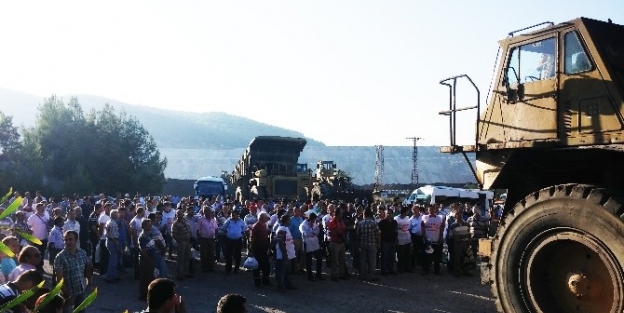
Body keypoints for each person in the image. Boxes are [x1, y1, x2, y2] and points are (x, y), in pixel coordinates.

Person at [54, 230, 93, 313]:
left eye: (70, 239)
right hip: (68, 294)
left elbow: (88, 268)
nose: (68, 242)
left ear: (76, 240)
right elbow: (59, 280)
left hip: (81, 290)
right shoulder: (60, 257)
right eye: (66, 240)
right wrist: (67, 296)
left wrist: (89, 282)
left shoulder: (82, 253)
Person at [248, 212, 272, 288]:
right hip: (257, 248)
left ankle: (265, 280)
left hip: (264, 248)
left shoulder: (265, 225)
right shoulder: (256, 226)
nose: (267, 218)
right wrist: (251, 249)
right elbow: (252, 239)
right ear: (261, 218)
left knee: (266, 265)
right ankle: (257, 282)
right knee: (257, 266)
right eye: (265, 217)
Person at [356, 208, 380, 282]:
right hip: (372, 244)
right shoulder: (374, 223)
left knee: (363, 261)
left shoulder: (360, 223)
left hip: (363, 244)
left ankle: (362, 275)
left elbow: (357, 234)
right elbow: (378, 234)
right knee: (372, 261)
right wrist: (378, 243)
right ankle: (371, 276)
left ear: (364, 214)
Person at [274, 214, 297, 292]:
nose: (290, 221)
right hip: (283, 255)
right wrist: (284, 254)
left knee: (287, 271)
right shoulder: (281, 230)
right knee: (281, 271)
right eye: (289, 220)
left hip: (288, 254)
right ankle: (280, 286)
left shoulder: (286, 228)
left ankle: (288, 284)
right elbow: (280, 242)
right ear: (286, 220)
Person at [422, 205, 445, 275]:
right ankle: (426, 270)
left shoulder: (439, 218)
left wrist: (441, 238)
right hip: (428, 240)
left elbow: (441, 229)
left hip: (436, 240)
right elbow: (423, 228)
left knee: (437, 257)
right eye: (430, 209)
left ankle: (437, 271)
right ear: (427, 210)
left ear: (435, 210)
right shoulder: (424, 217)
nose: (431, 211)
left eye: (432, 209)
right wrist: (424, 238)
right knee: (427, 256)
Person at [299, 212, 323, 281]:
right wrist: (312, 232)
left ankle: (318, 274)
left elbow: (317, 231)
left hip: (315, 243)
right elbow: (307, 233)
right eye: (313, 220)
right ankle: (310, 276)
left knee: (319, 258)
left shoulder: (314, 223)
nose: (314, 221)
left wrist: (313, 232)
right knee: (309, 261)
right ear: (310, 219)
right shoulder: (303, 225)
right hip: (308, 244)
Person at [26, 202, 49, 272]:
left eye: (43, 208)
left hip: (44, 238)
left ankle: (40, 267)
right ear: (37, 209)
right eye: (41, 208)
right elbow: (28, 227)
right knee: (36, 254)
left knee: (42, 253)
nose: (43, 209)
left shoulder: (45, 216)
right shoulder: (33, 217)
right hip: (36, 239)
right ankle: (35, 267)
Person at [172, 209, 192, 280]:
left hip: (188, 241)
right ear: (176, 215)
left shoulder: (185, 221)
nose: (179, 215)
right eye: (178, 214)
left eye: (180, 214)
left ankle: (186, 272)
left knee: (187, 257)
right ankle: (179, 274)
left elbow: (189, 229)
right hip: (181, 242)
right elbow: (174, 234)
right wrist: (180, 241)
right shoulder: (175, 223)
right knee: (180, 259)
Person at [138, 219, 156, 301]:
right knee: (145, 278)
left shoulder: (149, 234)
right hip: (146, 260)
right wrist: (148, 260)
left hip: (151, 258)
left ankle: (148, 293)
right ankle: (143, 294)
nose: (150, 226)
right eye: (149, 225)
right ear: (144, 226)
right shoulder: (143, 237)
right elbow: (143, 251)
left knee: (150, 277)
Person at [222, 210, 245, 275]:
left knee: (237, 255)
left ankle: (236, 269)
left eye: (234, 215)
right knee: (229, 254)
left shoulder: (241, 221)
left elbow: (244, 229)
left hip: (238, 240)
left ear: (237, 215)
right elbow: (224, 228)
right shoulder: (228, 221)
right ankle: (228, 268)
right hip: (229, 240)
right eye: (232, 215)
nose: (233, 216)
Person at [197, 207, 217, 273]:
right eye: (208, 211)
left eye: (210, 211)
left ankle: (211, 266)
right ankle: (204, 267)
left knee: (211, 253)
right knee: (204, 253)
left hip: (212, 239)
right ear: (204, 212)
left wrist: (216, 237)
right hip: (204, 239)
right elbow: (198, 230)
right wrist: (199, 239)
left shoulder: (213, 219)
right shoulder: (200, 219)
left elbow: (216, 228)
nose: (209, 213)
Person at [105, 209, 121, 283]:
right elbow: (113, 237)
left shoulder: (110, 222)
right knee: (113, 260)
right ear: (114, 215)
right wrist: (117, 245)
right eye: (117, 213)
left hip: (109, 241)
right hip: (112, 242)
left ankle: (114, 275)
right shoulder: (112, 224)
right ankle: (110, 277)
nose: (118, 214)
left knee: (114, 259)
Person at [48, 217, 65, 286]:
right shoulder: (54, 231)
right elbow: (51, 243)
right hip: (56, 251)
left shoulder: (61, 230)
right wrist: (54, 254)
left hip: (61, 250)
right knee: (56, 268)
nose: (63, 223)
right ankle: (54, 284)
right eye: (62, 221)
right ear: (58, 222)